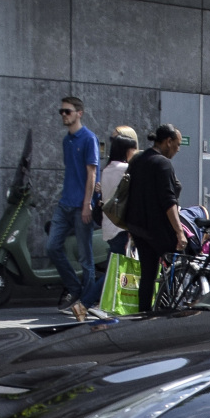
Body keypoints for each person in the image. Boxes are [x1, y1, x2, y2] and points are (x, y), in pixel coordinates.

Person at [69, 126, 138, 320]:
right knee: (114, 271)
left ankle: (100, 304)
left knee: (114, 269)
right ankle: (84, 304)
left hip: (109, 226)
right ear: (127, 150)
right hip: (121, 227)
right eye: (132, 150)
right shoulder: (125, 169)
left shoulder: (106, 170)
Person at [124, 124, 187, 313]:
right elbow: (169, 202)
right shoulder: (163, 164)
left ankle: (144, 313)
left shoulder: (138, 160)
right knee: (179, 265)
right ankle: (173, 307)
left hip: (138, 228)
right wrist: (179, 232)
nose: (177, 150)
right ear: (168, 142)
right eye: (177, 145)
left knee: (148, 275)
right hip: (158, 230)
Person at [46, 96, 99, 312]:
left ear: (79, 113)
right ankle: (75, 289)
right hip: (65, 203)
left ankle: (85, 301)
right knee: (51, 247)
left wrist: (87, 204)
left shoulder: (89, 138)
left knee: (85, 256)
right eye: (61, 112)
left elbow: (92, 173)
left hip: (81, 205)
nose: (63, 115)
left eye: (67, 111)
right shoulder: (66, 140)